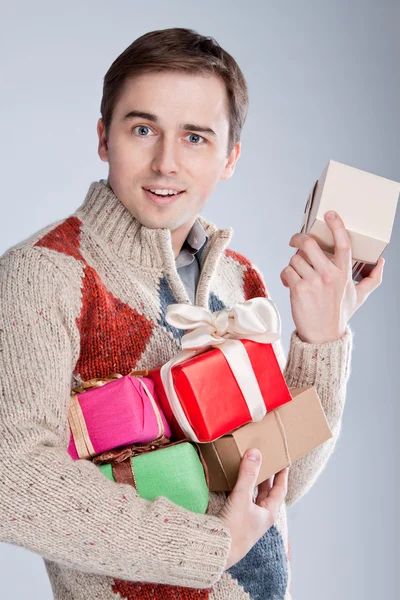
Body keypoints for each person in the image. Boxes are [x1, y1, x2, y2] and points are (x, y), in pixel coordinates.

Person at [0, 27, 384, 600]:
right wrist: (209, 548)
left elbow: (280, 482)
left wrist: (321, 338)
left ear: (230, 158)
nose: (166, 163)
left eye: (196, 138)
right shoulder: (45, 273)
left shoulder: (240, 280)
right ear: (104, 138)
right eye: (142, 129)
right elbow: (13, 477)